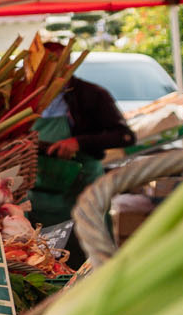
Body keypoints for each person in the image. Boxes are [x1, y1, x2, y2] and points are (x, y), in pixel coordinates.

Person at [30, 71, 136, 229]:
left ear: (67, 66)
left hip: (81, 184)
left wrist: (79, 142)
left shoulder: (92, 94)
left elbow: (125, 136)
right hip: (38, 188)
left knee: (87, 238)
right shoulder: (27, 95)